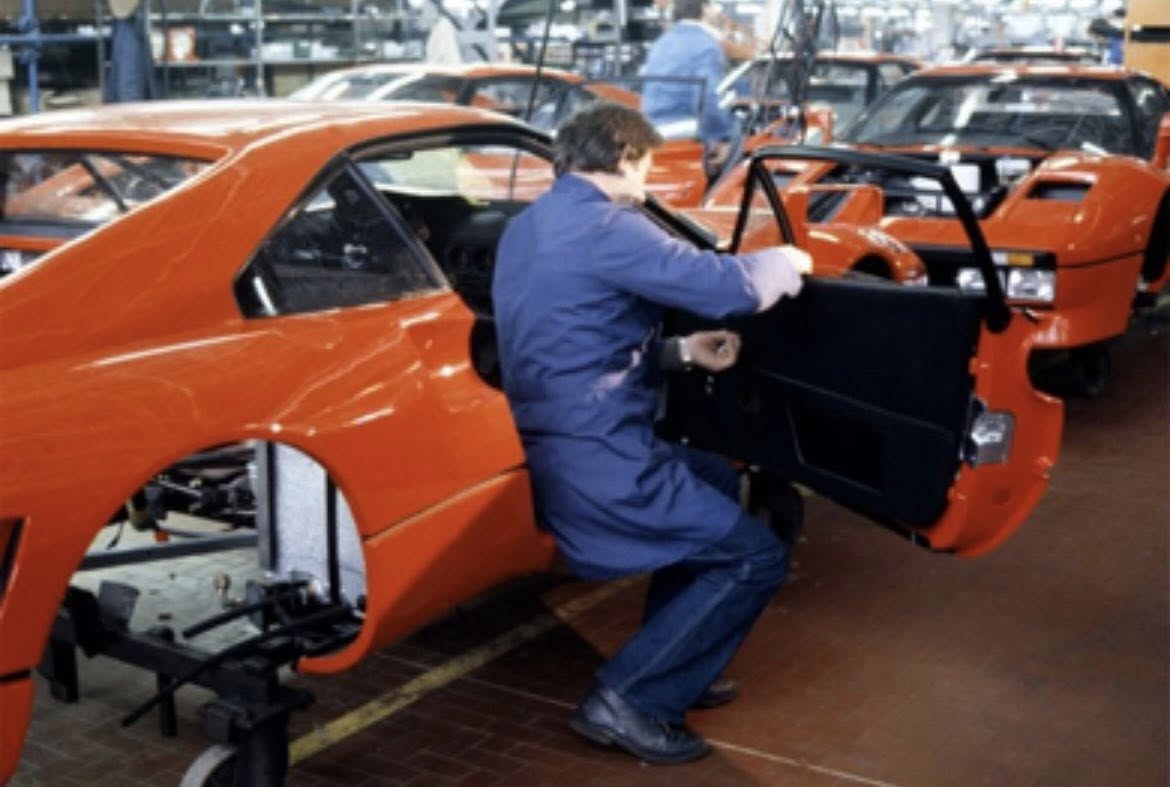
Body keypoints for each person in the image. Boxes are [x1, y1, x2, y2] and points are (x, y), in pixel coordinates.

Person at [491, 102, 811, 765]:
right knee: (756, 557)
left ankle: (675, 657)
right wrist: (788, 259)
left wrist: (682, 353)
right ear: (622, 156)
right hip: (600, 450)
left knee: (717, 482)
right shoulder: (611, 224)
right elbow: (728, 286)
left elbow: (571, 334)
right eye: (646, 165)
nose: (649, 181)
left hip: (546, 436)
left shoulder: (528, 226)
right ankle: (631, 696)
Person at [640, 0, 742, 163]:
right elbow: (708, 97)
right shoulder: (706, 44)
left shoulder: (661, 43)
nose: (716, 11)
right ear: (704, 9)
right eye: (712, 5)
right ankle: (719, 184)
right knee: (737, 128)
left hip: (653, 125)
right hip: (682, 123)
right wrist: (721, 137)